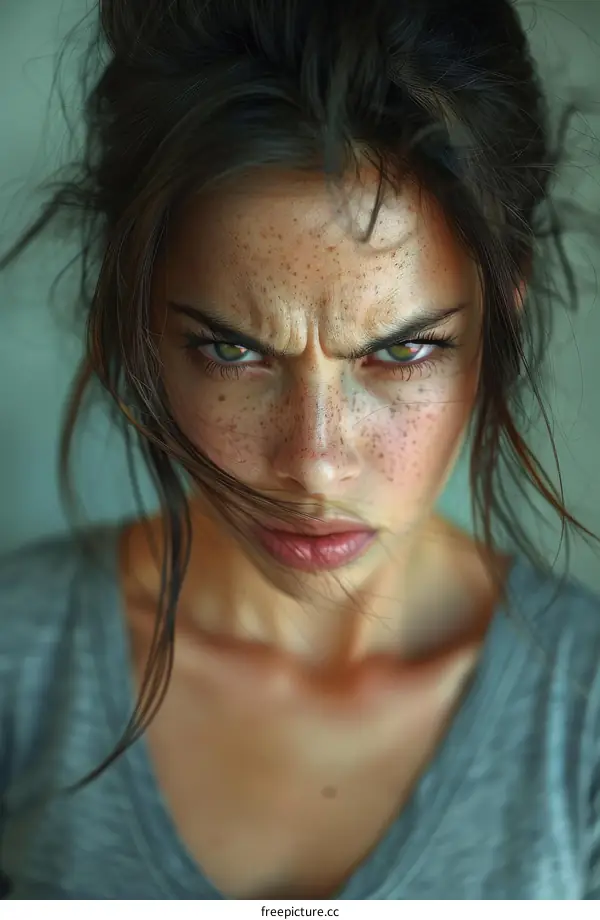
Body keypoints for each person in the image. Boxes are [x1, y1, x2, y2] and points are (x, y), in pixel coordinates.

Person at [0, 0, 599, 901]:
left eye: (403, 350)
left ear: (499, 317)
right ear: (138, 322)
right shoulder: (17, 661)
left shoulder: (583, 718)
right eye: (231, 350)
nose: (315, 463)